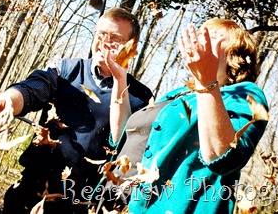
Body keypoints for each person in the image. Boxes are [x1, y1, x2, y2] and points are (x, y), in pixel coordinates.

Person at [0, 8, 153, 213]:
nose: (105, 42)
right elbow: (34, 88)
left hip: (82, 202)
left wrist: (120, 79)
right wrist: (9, 100)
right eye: (101, 34)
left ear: (132, 47)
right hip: (32, 189)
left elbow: (122, 142)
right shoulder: (65, 70)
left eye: (116, 38)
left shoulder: (141, 97)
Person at [97, 19, 269, 213]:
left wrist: (206, 84)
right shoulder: (177, 95)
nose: (199, 41)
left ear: (235, 55)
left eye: (212, 37)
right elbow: (122, 138)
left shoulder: (245, 93)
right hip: (111, 201)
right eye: (199, 36)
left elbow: (225, 158)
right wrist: (120, 78)